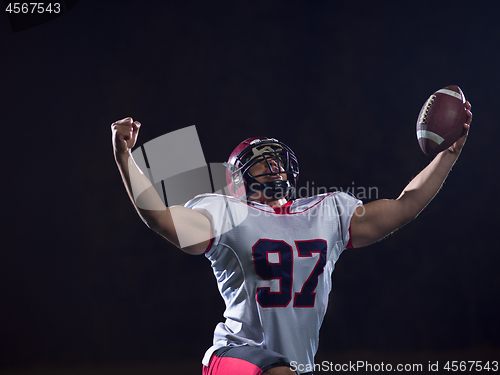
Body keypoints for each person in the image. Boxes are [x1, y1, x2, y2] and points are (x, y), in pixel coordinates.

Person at [111, 102, 472, 375]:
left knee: (286, 370)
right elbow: (161, 219)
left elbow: (403, 206)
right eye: (260, 161)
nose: (273, 166)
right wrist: (125, 157)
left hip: (297, 366)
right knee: (280, 371)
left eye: (277, 160)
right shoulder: (226, 213)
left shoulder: (327, 212)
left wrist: (448, 155)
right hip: (233, 357)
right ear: (238, 180)